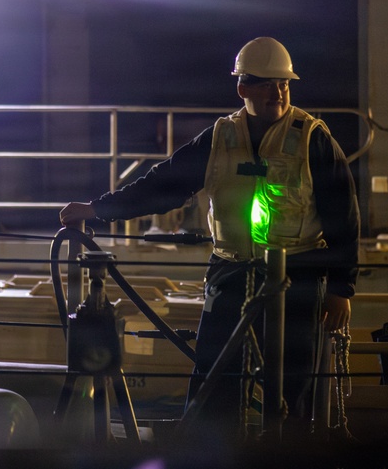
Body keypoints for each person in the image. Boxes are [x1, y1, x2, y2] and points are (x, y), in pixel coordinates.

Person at [59, 36, 359, 441]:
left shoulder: (313, 140)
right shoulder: (219, 140)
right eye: (267, 84)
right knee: (213, 378)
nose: (277, 92)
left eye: (283, 84)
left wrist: (342, 288)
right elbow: (162, 185)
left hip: (298, 277)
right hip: (231, 272)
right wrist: (97, 210)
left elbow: (344, 216)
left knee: (293, 386)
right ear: (243, 89)